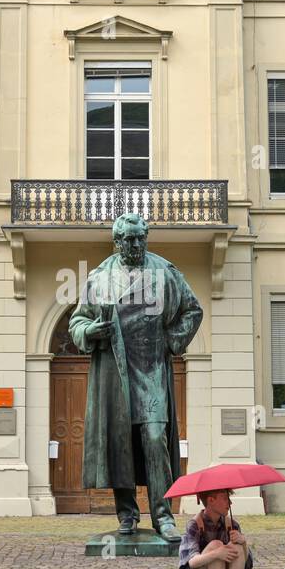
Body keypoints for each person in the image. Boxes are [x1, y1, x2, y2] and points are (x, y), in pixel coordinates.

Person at [68, 214, 203, 541]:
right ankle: (126, 516)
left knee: (155, 439)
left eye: (141, 237)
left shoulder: (165, 272)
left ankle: (163, 516)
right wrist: (91, 331)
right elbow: (76, 323)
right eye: (129, 239)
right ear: (117, 242)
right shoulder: (100, 277)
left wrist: (173, 341)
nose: (136, 244)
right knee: (120, 443)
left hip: (151, 368)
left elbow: (192, 310)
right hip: (115, 373)